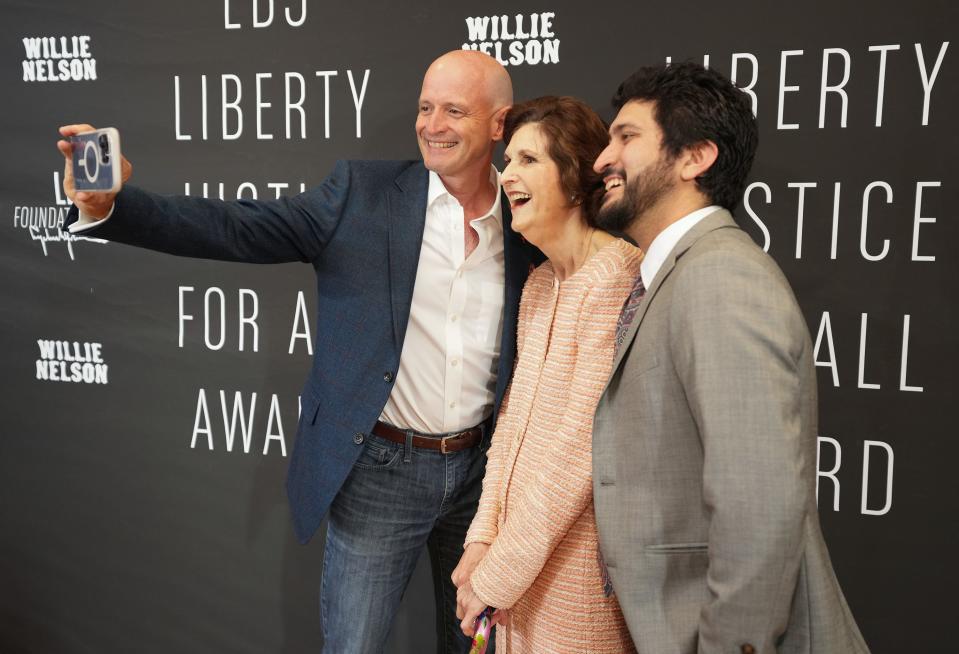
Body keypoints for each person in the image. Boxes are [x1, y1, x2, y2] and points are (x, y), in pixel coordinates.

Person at [56, 50, 541, 654]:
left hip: (484, 479)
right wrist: (115, 207)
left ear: (500, 124)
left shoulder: (529, 215)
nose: (432, 124)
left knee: (476, 646)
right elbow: (235, 226)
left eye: (454, 110)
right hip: (380, 475)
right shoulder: (360, 196)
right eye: (424, 107)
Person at [590, 62, 871, 654]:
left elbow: (759, 502)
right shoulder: (680, 274)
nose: (601, 160)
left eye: (627, 137)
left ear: (695, 158)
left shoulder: (720, 277)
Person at [451, 96, 641, 653]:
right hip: (513, 573)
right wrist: (483, 538)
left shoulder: (617, 278)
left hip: (575, 578)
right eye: (508, 161)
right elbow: (509, 429)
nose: (507, 176)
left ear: (578, 179)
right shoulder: (538, 285)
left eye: (528, 160)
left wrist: (495, 575)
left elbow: (578, 456)